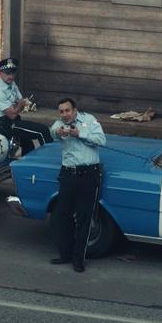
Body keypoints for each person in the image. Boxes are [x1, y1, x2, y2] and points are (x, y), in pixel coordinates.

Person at [48, 97, 106, 273]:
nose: (64, 114)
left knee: (84, 218)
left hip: (89, 175)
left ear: (75, 110)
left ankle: (78, 259)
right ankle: (65, 254)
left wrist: (79, 133)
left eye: (67, 110)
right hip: (68, 174)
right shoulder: (58, 125)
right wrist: (59, 132)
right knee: (61, 215)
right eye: (61, 111)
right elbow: (52, 133)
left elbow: (101, 140)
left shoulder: (89, 120)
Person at [0, 57, 52, 156]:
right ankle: (51, 160)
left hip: (14, 121)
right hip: (4, 124)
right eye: (7, 73)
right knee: (42, 131)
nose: (11, 76)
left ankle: (27, 166)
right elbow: (13, 113)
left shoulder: (11, 83)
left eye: (13, 73)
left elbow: (21, 101)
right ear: (0, 73)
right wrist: (20, 105)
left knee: (29, 145)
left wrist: (18, 105)